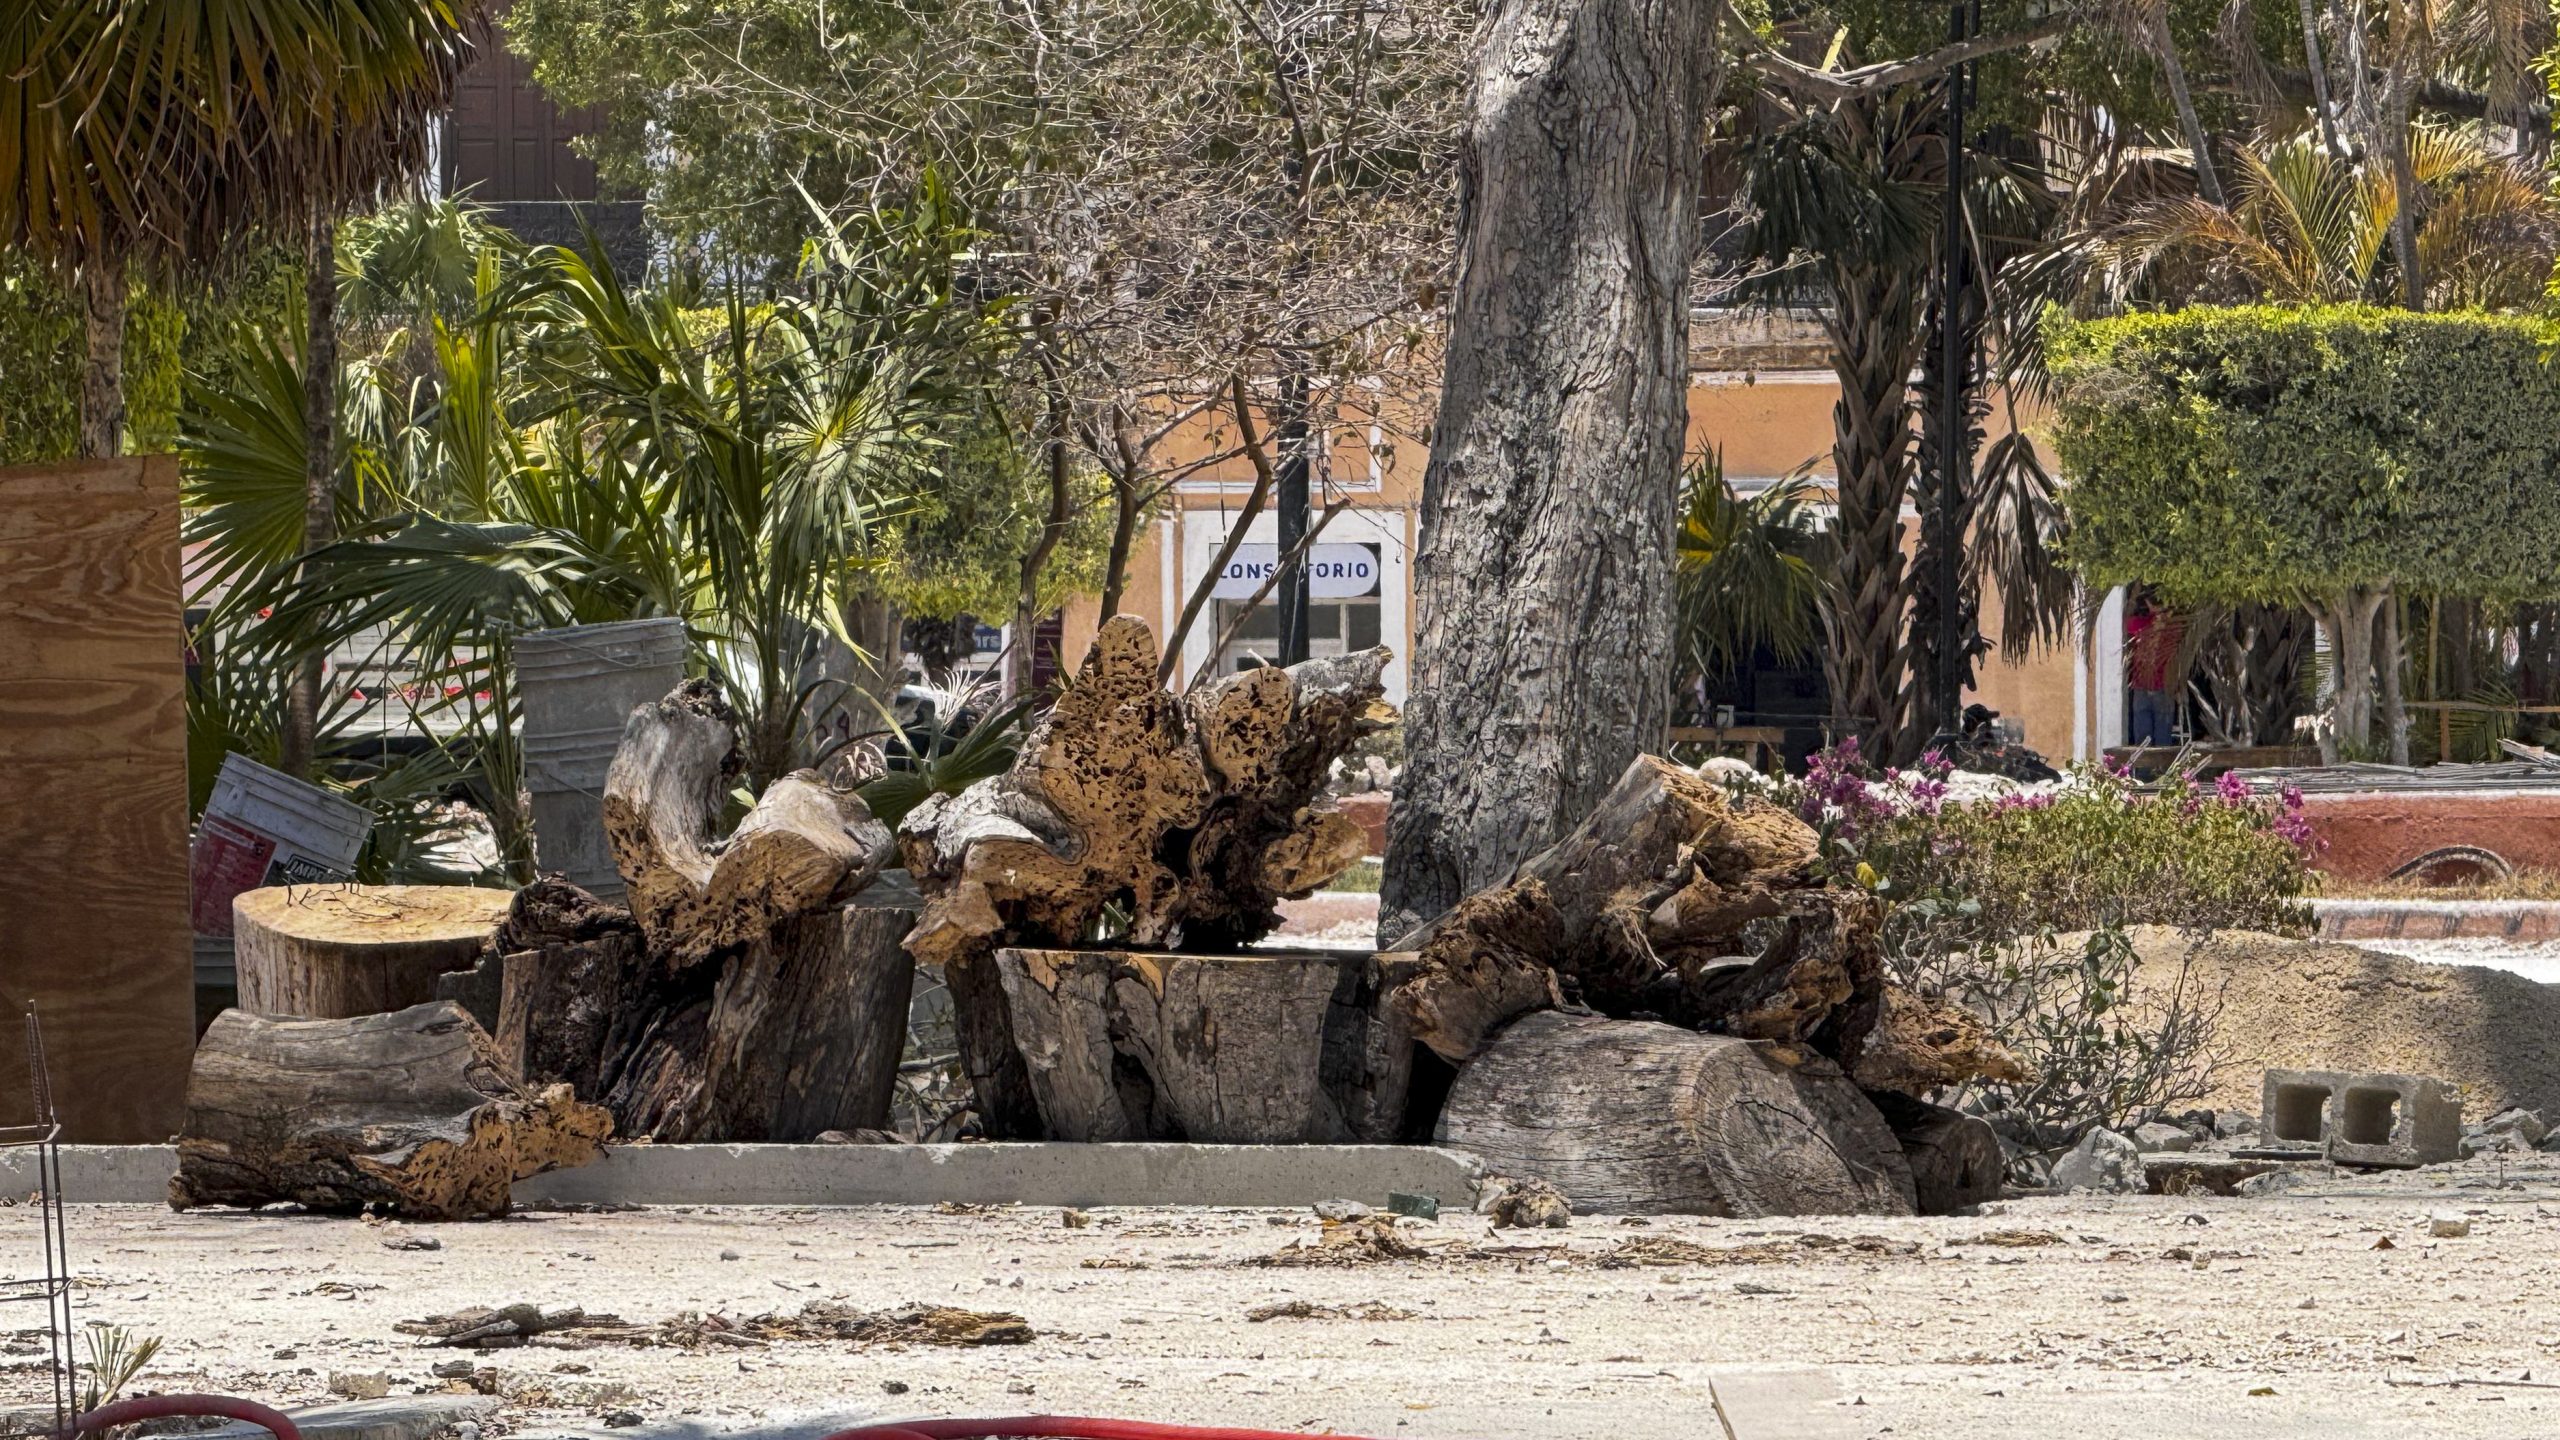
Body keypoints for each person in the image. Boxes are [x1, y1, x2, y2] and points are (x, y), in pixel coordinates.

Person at [2124, 595, 2182, 747]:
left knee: (2143, 738)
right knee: (2162, 736)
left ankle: (2146, 770)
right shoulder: (2174, 627)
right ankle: (2162, 770)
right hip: (2159, 687)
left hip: (2147, 686)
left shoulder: (2143, 624)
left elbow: (2127, 623)